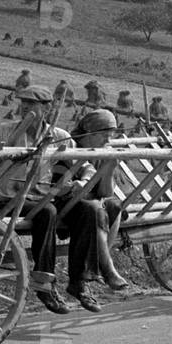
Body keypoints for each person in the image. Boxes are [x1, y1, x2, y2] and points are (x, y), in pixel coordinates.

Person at [0, 86, 75, 313]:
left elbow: (81, 166)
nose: (25, 108)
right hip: (7, 201)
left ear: (47, 108)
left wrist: (75, 180)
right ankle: (44, 283)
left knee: (53, 209)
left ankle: (45, 282)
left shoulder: (59, 137)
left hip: (39, 198)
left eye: (31, 104)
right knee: (47, 212)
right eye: (23, 103)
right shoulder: (5, 132)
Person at [52, 109, 128, 300]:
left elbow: (105, 192)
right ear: (90, 133)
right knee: (96, 208)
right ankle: (106, 268)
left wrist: (109, 168)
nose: (107, 140)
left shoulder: (102, 152)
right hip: (64, 204)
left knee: (113, 205)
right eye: (104, 135)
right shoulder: (70, 148)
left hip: (89, 204)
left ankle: (104, 265)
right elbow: (58, 187)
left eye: (110, 136)